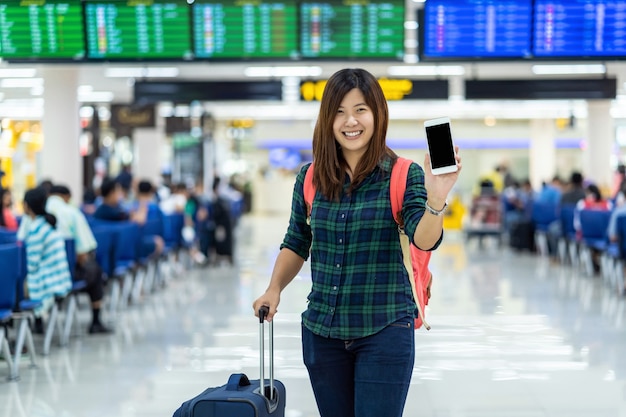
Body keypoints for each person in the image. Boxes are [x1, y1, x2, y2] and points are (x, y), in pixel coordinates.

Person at [252, 68, 461, 417]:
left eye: (361, 109)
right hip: (322, 330)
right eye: (339, 111)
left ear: (378, 114)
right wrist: (274, 288)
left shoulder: (402, 174)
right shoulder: (310, 177)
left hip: (384, 329)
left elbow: (424, 240)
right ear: (327, 119)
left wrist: (436, 197)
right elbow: (297, 240)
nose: (351, 121)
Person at [48, 185, 112, 334]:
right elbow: (83, 251)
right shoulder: (72, 213)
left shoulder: (33, 215)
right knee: (95, 271)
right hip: (66, 275)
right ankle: (96, 321)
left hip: (35, 278)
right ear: (67, 197)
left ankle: (38, 323)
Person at [22, 187, 72, 317]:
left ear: (27, 205)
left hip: (47, 283)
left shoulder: (36, 229)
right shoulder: (48, 224)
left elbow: (32, 265)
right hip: (61, 279)